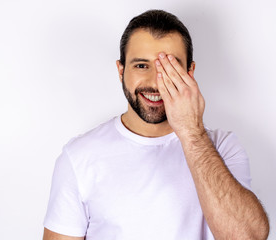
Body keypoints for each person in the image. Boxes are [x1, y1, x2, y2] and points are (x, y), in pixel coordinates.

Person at [42, 9, 269, 240]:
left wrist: (192, 133)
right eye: (141, 65)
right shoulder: (79, 157)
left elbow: (247, 237)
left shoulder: (223, 147)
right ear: (121, 71)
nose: (155, 82)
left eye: (169, 68)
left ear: (190, 72)